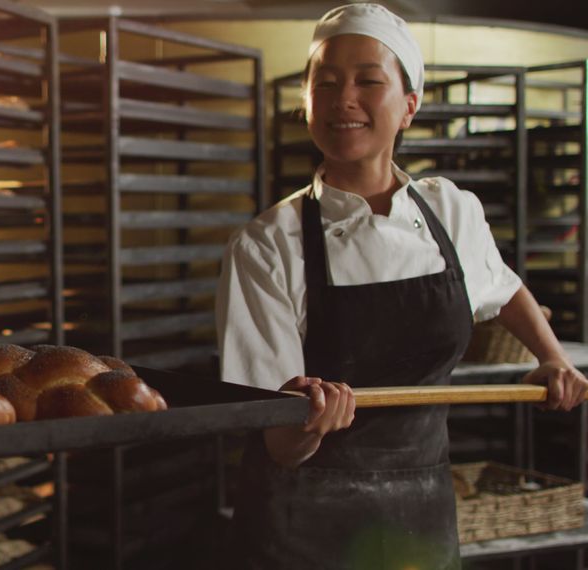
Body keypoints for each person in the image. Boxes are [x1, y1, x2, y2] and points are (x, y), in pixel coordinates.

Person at [214, 4, 588, 568]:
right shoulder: (268, 244)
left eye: (369, 80)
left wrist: (552, 357)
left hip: (420, 511)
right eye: (326, 82)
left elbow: (503, 288)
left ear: (409, 105)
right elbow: (278, 442)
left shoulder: (452, 211)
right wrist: (309, 425)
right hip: (303, 523)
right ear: (307, 103)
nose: (345, 99)